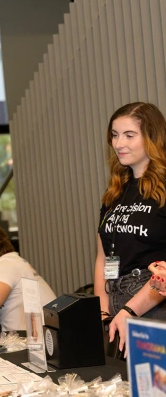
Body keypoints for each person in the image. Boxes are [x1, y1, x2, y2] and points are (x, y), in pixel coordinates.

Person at [95, 102, 166, 351]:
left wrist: (130, 310)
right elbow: (103, 257)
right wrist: (103, 312)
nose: (118, 144)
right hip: (116, 303)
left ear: (152, 138)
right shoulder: (115, 192)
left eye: (129, 135)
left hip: (153, 305)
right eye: (114, 135)